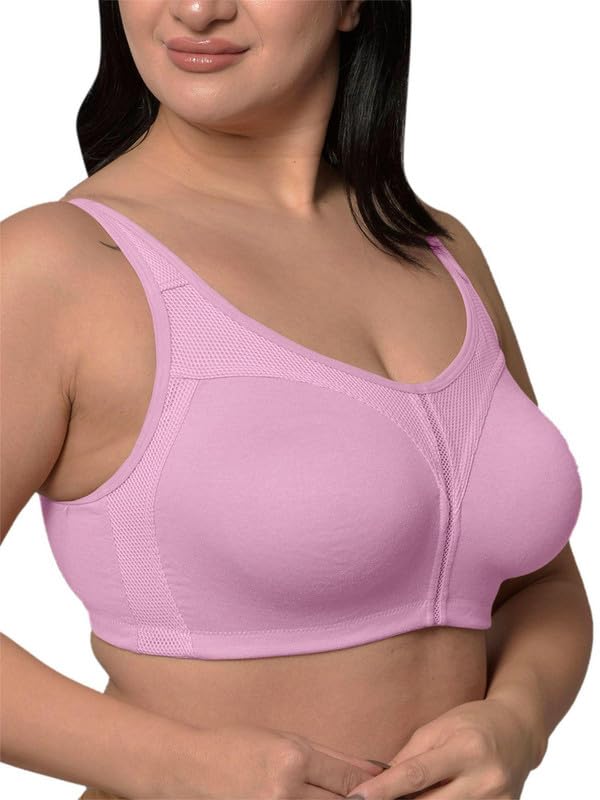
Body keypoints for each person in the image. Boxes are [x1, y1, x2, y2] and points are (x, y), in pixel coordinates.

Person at [1, 2, 592, 799]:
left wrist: (519, 718)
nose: (197, 9)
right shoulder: (57, 267)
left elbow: (539, 586)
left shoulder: (442, 252)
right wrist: (173, 765)